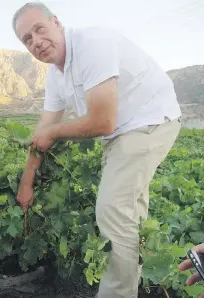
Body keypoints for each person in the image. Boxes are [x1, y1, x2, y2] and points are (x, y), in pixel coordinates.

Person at [12, 2, 182, 298]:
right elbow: (41, 133)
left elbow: (102, 121)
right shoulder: (56, 75)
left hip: (149, 121)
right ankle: (145, 280)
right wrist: (26, 183)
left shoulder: (92, 44)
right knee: (129, 213)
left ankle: (118, 293)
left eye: (39, 29)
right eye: (27, 39)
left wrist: (55, 131)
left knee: (112, 210)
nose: (36, 41)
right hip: (121, 134)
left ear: (57, 23)